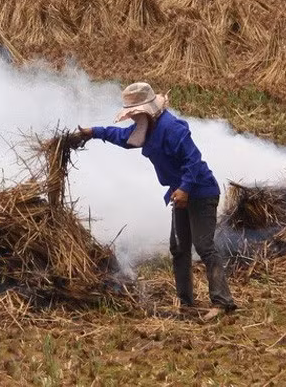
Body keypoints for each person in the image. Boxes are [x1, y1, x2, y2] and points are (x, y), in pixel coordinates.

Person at [70, 82, 237, 317]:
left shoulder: (172, 128)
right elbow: (122, 136)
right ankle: (186, 301)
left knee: (204, 246)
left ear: (148, 110)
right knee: (179, 248)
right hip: (179, 194)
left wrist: (186, 189)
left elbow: (194, 161)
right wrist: (94, 132)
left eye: (136, 113)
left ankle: (222, 302)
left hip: (200, 193)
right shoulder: (144, 127)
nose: (134, 117)